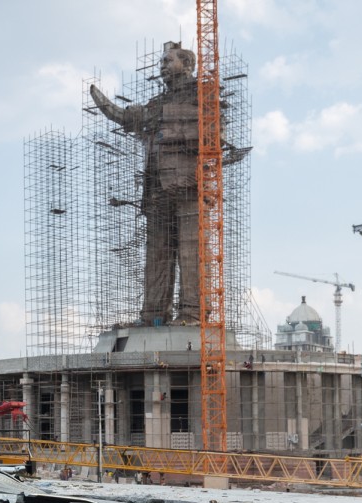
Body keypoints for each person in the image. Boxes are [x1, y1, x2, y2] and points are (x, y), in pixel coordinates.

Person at [90, 43, 247, 325]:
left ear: (187, 65)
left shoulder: (203, 95)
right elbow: (126, 117)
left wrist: (166, 128)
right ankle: (153, 315)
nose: (162, 65)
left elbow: (216, 134)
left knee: (191, 252)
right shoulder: (156, 104)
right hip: (157, 188)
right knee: (157, 255)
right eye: (161, 61)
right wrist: (105, 104)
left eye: (168, 60)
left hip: (189, 185)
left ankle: (193, 312)